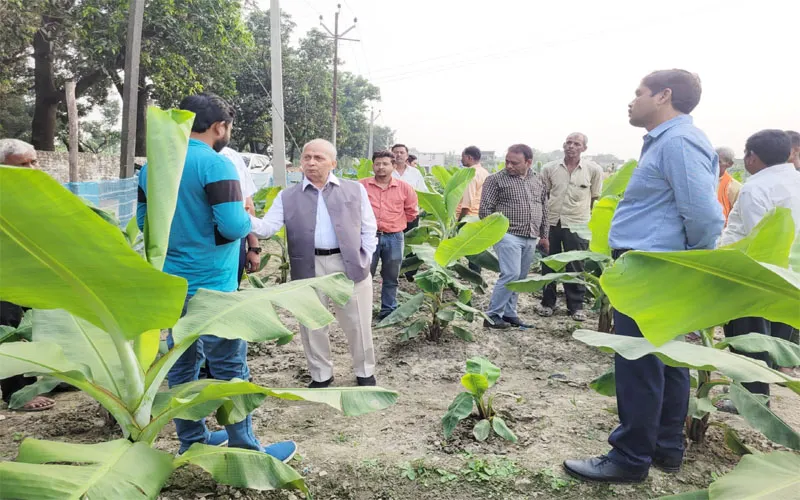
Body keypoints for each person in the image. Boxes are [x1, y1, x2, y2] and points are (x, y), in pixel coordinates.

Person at [564, 70, 724, 483]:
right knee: (667, 360)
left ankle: (630, 457)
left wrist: (688, 261)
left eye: (639, 93)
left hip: (656, 265)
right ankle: (664, 448)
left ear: (664, 96)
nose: (631, 101)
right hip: (656, 263)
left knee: (639, 361)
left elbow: (705, 216)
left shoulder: (679, 141)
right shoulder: (669, 142)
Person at [137, 93, 296, 461]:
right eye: (227, 128)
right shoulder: (216, 164)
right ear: (218, 127)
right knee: (229, 366)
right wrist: (247, 220)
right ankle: (245, 447)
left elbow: (147, 223)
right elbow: (232, 223)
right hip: (214, 284)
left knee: (181, 362)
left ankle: (192, 439)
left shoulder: (153, 168)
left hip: (173, 282)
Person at [249, 139, 379, 388]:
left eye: (318, 158)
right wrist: (242, 218)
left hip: (348, 264)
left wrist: (367, 257)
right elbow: (268, 227)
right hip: (308, 265)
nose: (311, 162)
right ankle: (321, 374)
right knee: (311, 323)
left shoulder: (354, 189)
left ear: (333, 163)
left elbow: (369, 227)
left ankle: (364, 371)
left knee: (358, 321)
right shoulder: (288, 196)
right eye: (306, 157)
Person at [717, 130, 800, 395]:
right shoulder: (795, 181)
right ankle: (764, 386)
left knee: (746, 337)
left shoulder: (756, 187)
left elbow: (757, 238)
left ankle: (750, 396)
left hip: (751, 273)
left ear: (752, 157)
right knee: (771, 336)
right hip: (786, 273)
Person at [0, 139, 55, 412]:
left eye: (34, 161)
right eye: (23, 163)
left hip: (28, 272)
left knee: (33, 325)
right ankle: (16, 393)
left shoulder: (31, 191)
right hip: (4, 276)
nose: (33, 168)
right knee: (9, 328)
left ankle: (34, 381)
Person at [479, 144, 549, 330]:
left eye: (514, 163)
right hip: (507, 234)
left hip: (530, 235)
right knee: (510, 274)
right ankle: (493, 315)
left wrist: (544, 235)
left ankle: (509, 313)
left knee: (520, 278)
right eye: (507, 161)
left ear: (528, 162)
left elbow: (544, 208)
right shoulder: (495, 180)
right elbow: (485, 209)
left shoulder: (538, 180)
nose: (509, 166)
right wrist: (494, 234)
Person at [536, 133, 602, 322]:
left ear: (584, 148)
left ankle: (576, 307)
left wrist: (586, 223)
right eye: (568, 142)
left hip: (577, 224)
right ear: (563, 145)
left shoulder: (593, 170)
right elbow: (543, 197)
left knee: (576, 264)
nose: (571, 146)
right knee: (549, 263)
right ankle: (548, 303)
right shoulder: (550, 168)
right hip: (552, 222)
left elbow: (594, 198)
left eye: (576, 143)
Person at [359, 151, 418, 319]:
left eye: (385, 164)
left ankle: (388, 311)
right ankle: (364, 312)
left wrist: (395, 223)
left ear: (393, 166)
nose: (381, 167)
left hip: (394, 237)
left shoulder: (404, 188)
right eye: (377, 164)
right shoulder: (361, 186)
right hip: (368, 237)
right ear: (373, 166)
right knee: (364, 276)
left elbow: (412, 212)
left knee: (391, 277)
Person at [220, 146, 261, 283]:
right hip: (204, 239)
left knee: (231, 286)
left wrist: (254, 247)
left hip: (237, 238)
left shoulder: (232, 156)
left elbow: (248, 201)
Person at [391, 143, 428, 281]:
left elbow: (422, 192)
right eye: (396, 152)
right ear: (392, 154)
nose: (398, 154)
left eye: (401, 152)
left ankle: (410, 273)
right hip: (392, 215)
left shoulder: (415, 173)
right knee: (394, 243)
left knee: (412, 242)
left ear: (406, 155)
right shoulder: (387, 172)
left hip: (411, 214)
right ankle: (395, 270)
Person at [715, 146, 742, 224]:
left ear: (729, 164)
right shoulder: (698, 182)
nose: (712, 163)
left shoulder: (735, 187)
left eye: (718, 161)